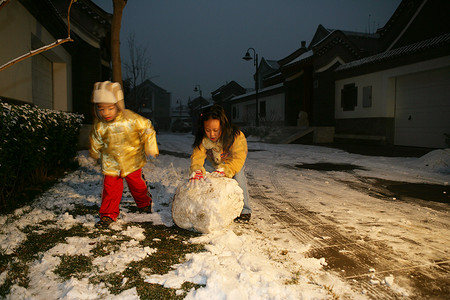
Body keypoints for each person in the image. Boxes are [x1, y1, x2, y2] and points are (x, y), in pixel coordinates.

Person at [89, 81, 159, 228]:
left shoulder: (130, 119)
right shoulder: (100, 125)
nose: (106, 113)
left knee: (136, 185)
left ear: (118, 105)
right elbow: (97, 139)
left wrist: (150, 145)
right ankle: (108, 214)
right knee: (110, 189)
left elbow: (147, 128)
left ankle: (144, 203)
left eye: (110, 108)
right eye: (101, 109)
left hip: (132, 159)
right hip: (111, 162)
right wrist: (95, 151)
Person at [189, 104, 251, 222]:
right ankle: (209, 207)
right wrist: (197, 169)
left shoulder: (236, 136)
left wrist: (226, 170)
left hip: (232, 163)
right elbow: (197, 155)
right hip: (213, 163)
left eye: (215, 130)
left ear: (223, 126)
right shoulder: (203, 139)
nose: (212, 134)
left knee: (239, 178)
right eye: (208, 130)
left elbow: (239, 157)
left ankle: (245, 210)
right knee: (204, 179)